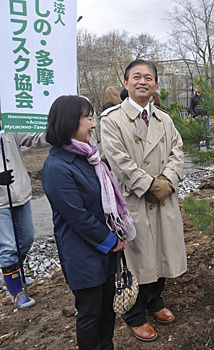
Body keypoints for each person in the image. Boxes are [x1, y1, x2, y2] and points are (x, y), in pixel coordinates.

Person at [100, 59, 187, 342]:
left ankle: (155, 301)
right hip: (134, 199)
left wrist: (167, 182)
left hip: (164, 198)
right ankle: (134, 314)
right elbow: (118, 160)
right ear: (125, 84)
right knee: (137, 258)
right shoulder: (111, 120)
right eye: (136, 77)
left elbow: (177, 152)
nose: (142, 81)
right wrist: (148, 184)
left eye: (148, 77)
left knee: (163, 250)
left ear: (156, 85)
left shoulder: (165, 119)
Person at [42, 95, 129, 349]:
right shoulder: (57, 166)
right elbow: (77, 216)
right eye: (88, 118)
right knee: (90, 313)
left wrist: (118, 232)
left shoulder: (88, 157)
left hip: (102, 249)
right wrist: (111, 240)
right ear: (69, 122)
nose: (93, 125)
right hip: (82, 253)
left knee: (106, 308)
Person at [0, 111, 48, 309]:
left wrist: (56, 132)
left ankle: (17, 273)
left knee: (26, 239)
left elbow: (33, 138)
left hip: (20, 194)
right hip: (1, 201)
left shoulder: (8, 125)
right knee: (8, 247)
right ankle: (16, 291)